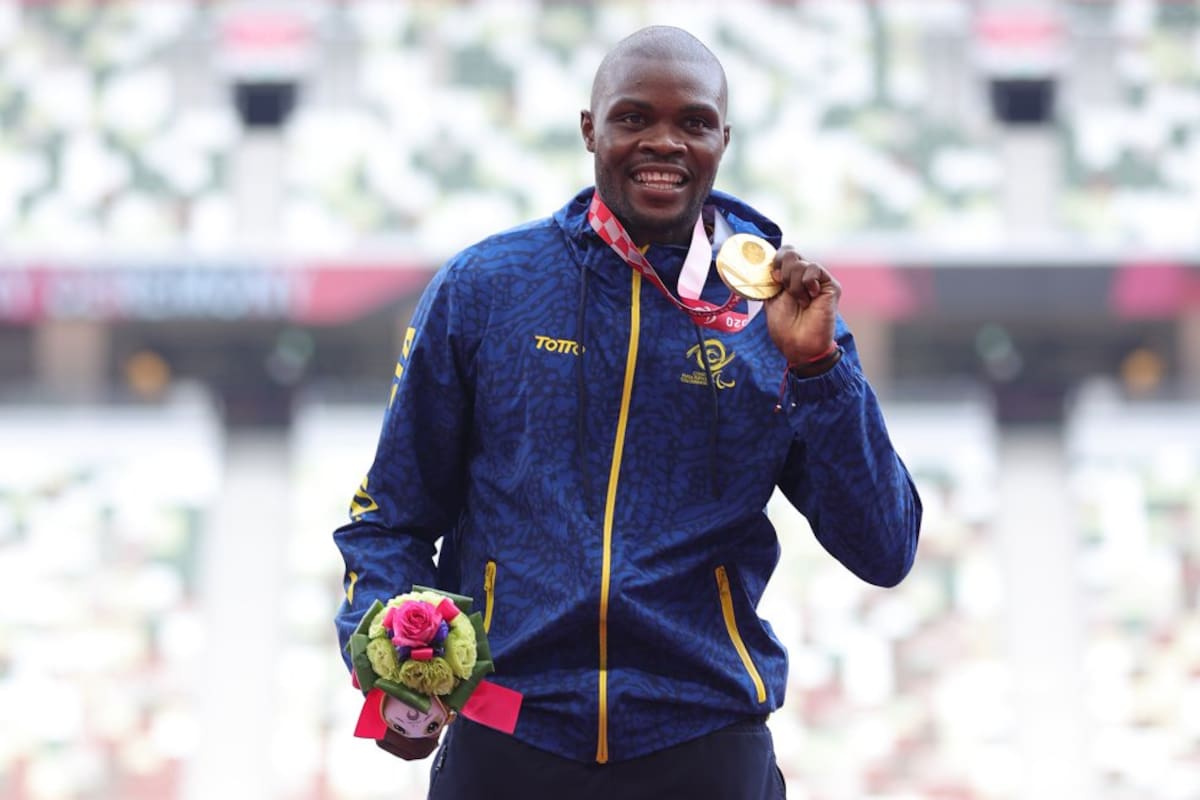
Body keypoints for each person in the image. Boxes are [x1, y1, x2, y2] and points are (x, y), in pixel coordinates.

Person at [334, 25, 921, 800]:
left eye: (694, 123)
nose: (664, 142)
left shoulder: (779, 311)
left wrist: (819, 370)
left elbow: (884, 547)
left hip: (705, 742)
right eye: (634, 117)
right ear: (590, 128)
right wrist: (397, 675)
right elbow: (390, 519)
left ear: (723, 139)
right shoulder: (486, 288)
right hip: (509, 735)